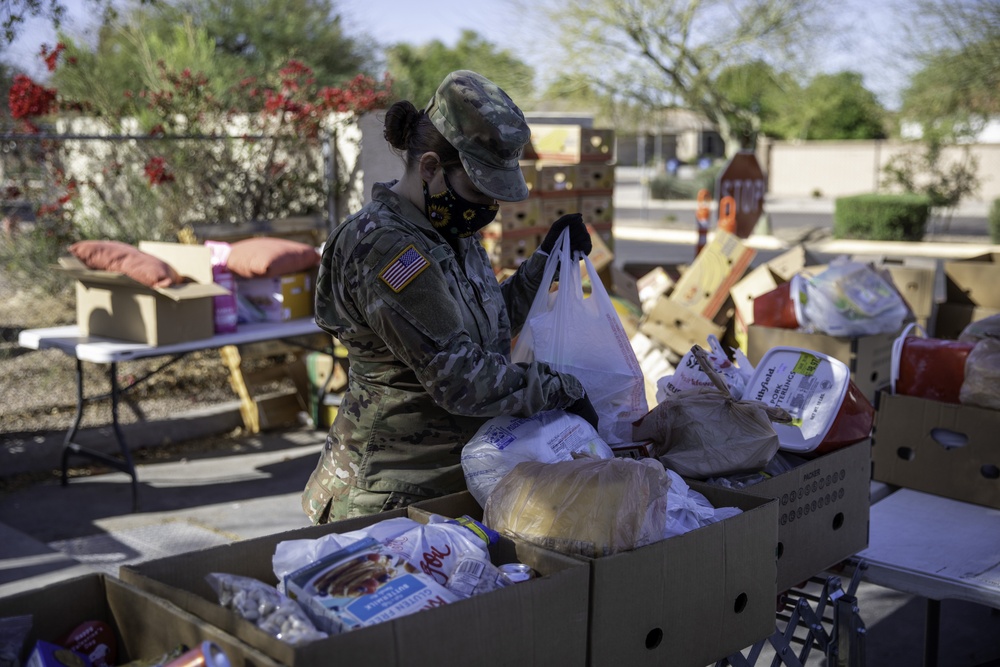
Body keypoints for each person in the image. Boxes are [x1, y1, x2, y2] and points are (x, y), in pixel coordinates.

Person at [301, 70, 598, 524]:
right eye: (478, 191)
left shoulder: (448, 228)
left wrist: (544, 262)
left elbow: (487, 328)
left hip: (451, 482)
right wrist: (560, 389)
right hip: (390, 493)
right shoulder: (386, 247)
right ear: (431, 168)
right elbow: (457, 375)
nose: (485, 210)